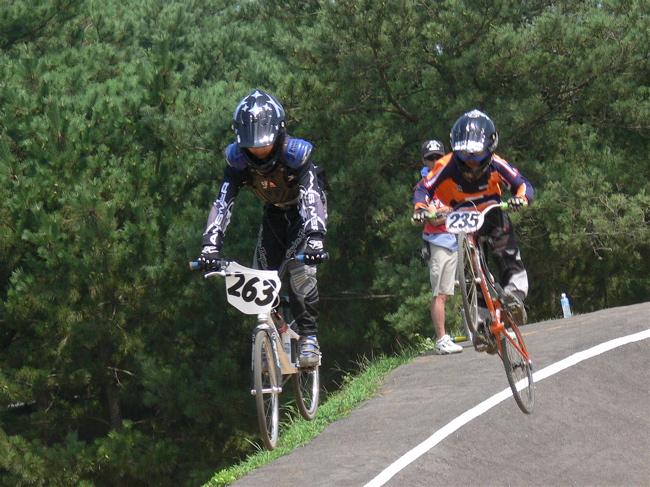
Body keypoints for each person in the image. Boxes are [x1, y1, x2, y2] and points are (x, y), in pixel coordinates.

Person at [197, 90, 328, 366]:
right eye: (251, 145)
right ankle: (271, 333)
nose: (257, 151)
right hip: (274, 213)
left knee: (301, 272)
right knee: (261, 274)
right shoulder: (236, 161)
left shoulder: (297, 154)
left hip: (304, 213)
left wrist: (316, 236)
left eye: (263, 145)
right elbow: (223, 202)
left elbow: (311, 196)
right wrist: (210, 245)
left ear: (279, 133)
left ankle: (309, 339)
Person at [413, 110, 533, 334]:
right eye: (464, 154)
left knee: (504, 251)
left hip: (491, 211)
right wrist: (420, 208)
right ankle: (482, 321)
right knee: (469, 270)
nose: (471, 161)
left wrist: (520, 198)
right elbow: (424, 188)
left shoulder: (497, 164)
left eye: (476, 154)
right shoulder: (446, 165)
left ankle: (515, 295)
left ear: (490, 148)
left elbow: (522, 184)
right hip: (461, 214)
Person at [418, 140, 462, 354]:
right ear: (424, 161)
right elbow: (434, 218)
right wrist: (449, 207)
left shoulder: (453, 176)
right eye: (430, 158)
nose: (435, 161)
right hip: (440, 241)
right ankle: (441, 339)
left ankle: (489, 322)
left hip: (461, 236)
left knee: (482, 279)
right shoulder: (425, 185)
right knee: (441, 293)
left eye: (439, 157)